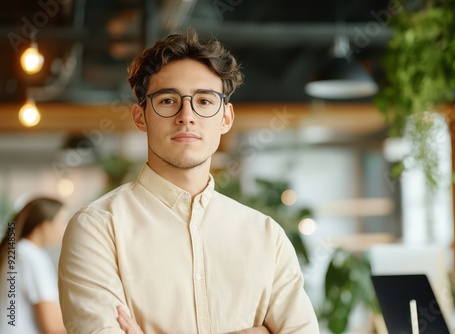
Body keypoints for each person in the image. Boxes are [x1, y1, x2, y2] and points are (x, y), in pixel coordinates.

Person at [58, 28, 320, 334]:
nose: (187, 116)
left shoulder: (266, 237)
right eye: (168, 101)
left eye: (205, 101)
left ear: (226, 118)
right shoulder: (97, 229)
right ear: (140, 116)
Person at [0, 197, 67, 334]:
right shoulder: (31, 257)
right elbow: (52, 326)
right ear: (44, 225)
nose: (64, 228)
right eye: (61, 222)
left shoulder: (17, 251)